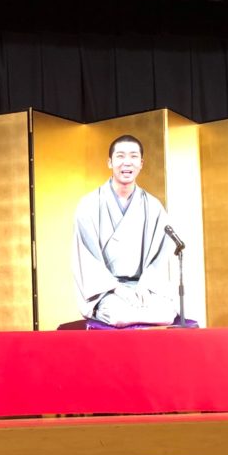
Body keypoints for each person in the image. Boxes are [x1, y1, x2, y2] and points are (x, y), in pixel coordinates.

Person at [71, 134, 178, 327]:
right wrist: (117, 289)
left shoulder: (153, 207)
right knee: (119, 315)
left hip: (143, 288)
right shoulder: (89, 205)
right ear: (109, 162)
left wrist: (145, 285)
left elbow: (160, 258)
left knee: (166, 313)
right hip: (108, 291)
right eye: (120, 156)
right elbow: (87, 259)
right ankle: (112, 308)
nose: (127, 162)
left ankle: (138, 306)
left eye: (133, 156)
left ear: (141, 163)